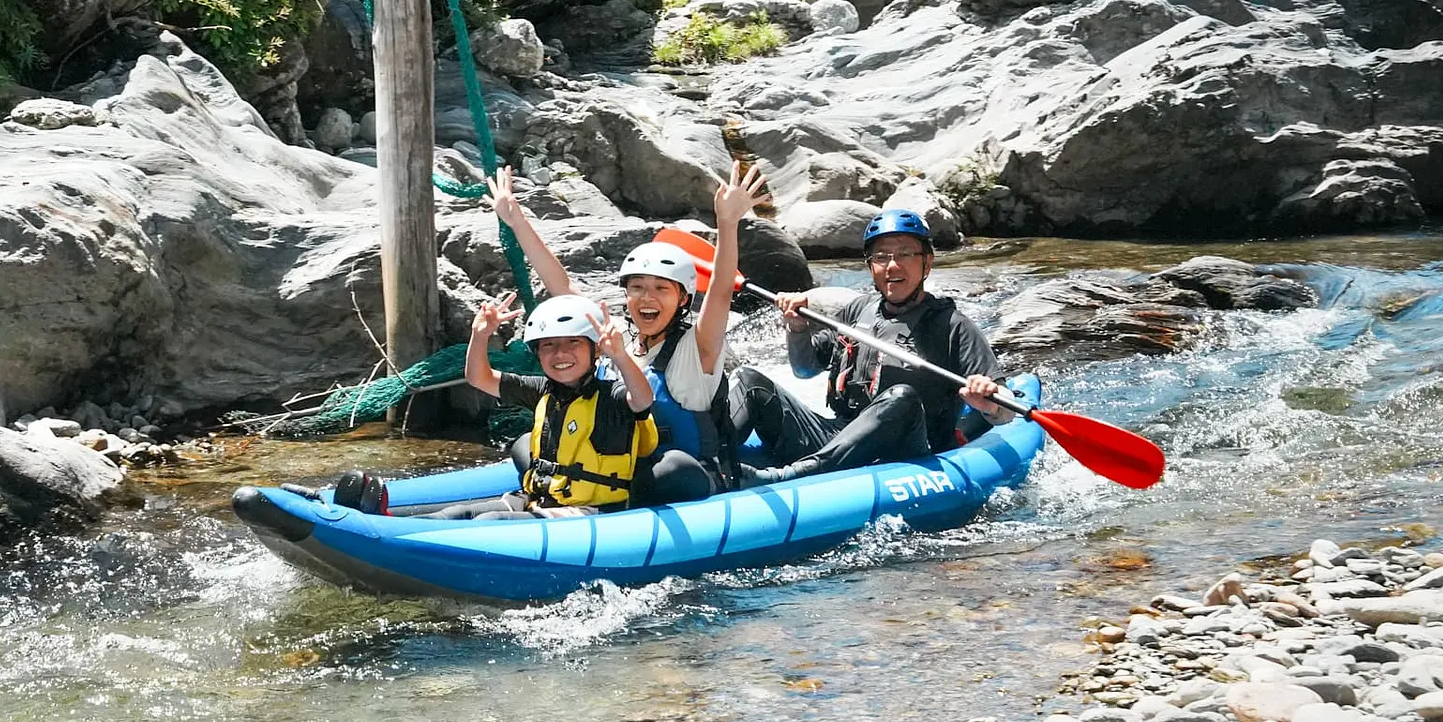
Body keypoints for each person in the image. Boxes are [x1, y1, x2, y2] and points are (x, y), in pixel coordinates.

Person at [487, 160, 768, 500]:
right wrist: (516, 221)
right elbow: (561, 285)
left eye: (661, 289)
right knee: (524, 447)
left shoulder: (698, 349)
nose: (647, 297)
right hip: (616, 472)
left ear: (683, 299)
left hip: (681, 479)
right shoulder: (614, 337)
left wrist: (727, 222)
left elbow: (721, 291)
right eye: (637, 287)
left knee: (671, 467)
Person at [728, 208, 1014, 487]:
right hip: (840, 437)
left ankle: (792, 477)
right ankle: (710, 463)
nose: (892, 266)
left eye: (905, 254)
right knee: (749, 381)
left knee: (902, 397)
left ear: (927, 263)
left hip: (905, 452)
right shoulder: (857, 311)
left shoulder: (952, 325)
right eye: (881, 257)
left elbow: (1005, 410)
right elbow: (804, 370)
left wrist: (988, 403)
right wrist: (797, 328)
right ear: (870, 266)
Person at [426, 291, 680, 519]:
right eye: (549, 345)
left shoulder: (612, 396)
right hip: (540, 499)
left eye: (573, 342)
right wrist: (480, 335)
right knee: (454, 515)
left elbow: (642, 399)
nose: (560, 353)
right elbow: (479, 378)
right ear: (538, 353)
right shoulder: (541, 390)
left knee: (490, 522)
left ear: (596, 350)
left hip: (589, 510)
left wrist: (620, 356)